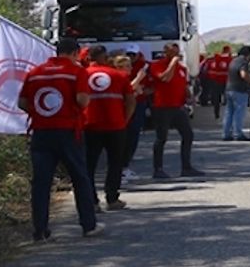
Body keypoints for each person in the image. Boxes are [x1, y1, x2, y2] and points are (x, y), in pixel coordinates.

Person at [18, 37, 103, 241]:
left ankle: (40, 230)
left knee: (41, 183)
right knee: (80, 178)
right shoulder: (76, 72)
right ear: (75, 53)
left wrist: (40, 113)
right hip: (68, 131)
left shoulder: (35, 72)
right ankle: (88, 226)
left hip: (41, 132)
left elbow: (22, 102)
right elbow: (82, 100)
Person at [82, 45, 135, 211]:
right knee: (115, 163)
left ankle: (92, 201)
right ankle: (112, 199)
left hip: (90, 125)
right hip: (115, 125)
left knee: (89, 165)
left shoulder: (82, 75)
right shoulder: (118, 75)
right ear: (104, 57)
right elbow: (131, 101)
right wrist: (124, 120)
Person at [148, 42, 205, 178]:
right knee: (161, 138)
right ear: (166, 52)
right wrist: (172, 63)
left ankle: (186, 167)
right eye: (172, 52)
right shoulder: (157, 65)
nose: (175, 55)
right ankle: (158, 169)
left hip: (177, 107)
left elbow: (183, 85)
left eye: (176, 52)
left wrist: (189, 96)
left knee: (188, 135)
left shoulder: (182, 69)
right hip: (162, 107)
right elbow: (165, 78)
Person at [121, 44, 152, 184]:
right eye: (129, 55)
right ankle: (121, 167)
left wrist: (142, 89)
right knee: (123, 136)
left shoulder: (144, 66)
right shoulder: (120, 70)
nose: (131, 58)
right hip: (124, 105)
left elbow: (147, 87)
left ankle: (125, 165)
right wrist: (137, 81)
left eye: (133, 55)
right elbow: (128, 87)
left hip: (138, 104)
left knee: (133, 134)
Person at [223, 45, 250, 141]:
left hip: (229, 88)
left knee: (229, 112)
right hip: (239, 89)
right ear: (248, 54)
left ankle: (226, 133)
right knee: (239, 112)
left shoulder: (233, 61)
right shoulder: (243, 62)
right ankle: (238, 133)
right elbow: (243, 74)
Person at [203, 45, 232, 120]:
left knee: (216, 98)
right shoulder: (229, 60)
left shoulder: (213, 60)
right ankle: (228, 114)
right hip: (225, 81)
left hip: (214, 81)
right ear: (228, 50)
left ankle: (216, 113)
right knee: (228, 98)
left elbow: (207, 70)